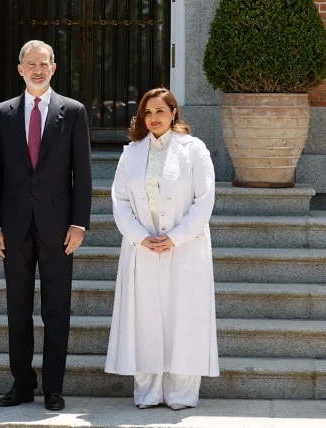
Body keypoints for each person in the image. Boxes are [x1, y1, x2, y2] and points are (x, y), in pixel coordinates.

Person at [0, 40, 92, 411]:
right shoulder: (1, 113)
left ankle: (53, 388)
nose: (37, 69)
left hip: (59, 229)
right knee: (18, 309)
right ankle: (22, 384)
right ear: (19, 69)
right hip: (13, 228)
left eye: (43, 63)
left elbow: (84, 175)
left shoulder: (73, 112)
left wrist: (79, 223)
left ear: (54, 68)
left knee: (56, 310)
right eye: (30, 63)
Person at [105, 87, 219, 410]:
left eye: (160, 111)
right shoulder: (131, 153)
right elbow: (120, 200)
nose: (153, 118)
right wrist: (140, 237)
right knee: (145, 321)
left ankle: (181, 392)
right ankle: (148, 390)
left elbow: (204, 199)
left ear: (173, 113)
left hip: (184, 248)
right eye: (148, 112)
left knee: (183, 317)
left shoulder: (194, 150)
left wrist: (177, 237)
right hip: (143, 249)